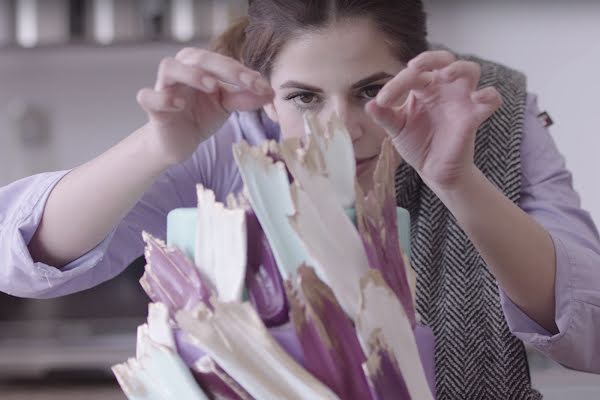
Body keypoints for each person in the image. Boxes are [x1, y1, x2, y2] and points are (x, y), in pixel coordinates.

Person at [0, 1, 598, 398]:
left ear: (413, 70)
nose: (341, 128)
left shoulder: (487, 116)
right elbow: (19, 262)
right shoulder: (227, 137)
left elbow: (590, 333)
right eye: (305, 98)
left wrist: (458, 180)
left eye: (371, 90)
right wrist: (156, 146)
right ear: (265, 96)